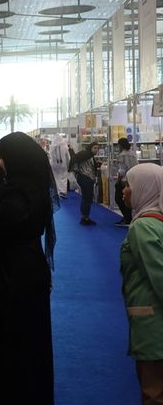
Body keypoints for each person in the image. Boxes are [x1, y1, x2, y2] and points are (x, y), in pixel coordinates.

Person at [0, 132, 58, 405]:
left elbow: (4, 226)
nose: (0, 163)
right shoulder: (32, 189)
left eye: (3, 157)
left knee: (14, 341)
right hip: (28, 268)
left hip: (13, 273)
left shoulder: (18, 193)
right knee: (31, 341)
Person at [120, 163, 163, 404]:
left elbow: (158, 274)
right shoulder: (157, 221)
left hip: (153, 327)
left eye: (129, 185)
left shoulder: (142, 226)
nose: (125, 190)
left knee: (154, 392)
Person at [70, 142, 100, 225]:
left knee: (86, 198)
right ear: (90, 148)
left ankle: (85, 217)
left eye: (97, 148)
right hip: (85, 178)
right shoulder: (85, 155)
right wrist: (80, 173)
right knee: (87, 198)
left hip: (87, 179)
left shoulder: (89, 156)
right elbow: (75, 164)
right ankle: (85, 217)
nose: (96, 150)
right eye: (95, 148)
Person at [115, 137, 138, 226]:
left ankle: (127, 218)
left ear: (120, 145)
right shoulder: (133, 154)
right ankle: (128, 218)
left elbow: (122, 170)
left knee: (119, 199)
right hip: (133, 179)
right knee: (128, 199)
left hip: (124, 180)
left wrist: (118, 181)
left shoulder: (122, 155)